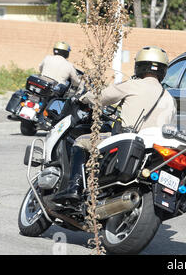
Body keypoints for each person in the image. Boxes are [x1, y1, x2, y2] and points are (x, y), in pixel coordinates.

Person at [52, 46, 177, 204]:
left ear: (139, 66)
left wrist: (83, 98)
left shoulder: (133, 85)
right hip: (152, 150)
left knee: (81, 142)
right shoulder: (169, 98)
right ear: (163, 71)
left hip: (127, 140)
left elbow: (101, 97)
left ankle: (74, 188)